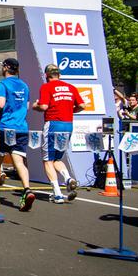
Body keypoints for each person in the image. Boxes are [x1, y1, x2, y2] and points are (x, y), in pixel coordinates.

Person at [32, 64, 84, 204]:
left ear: (47, 76)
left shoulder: (46, 87)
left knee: (47, 160)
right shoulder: (71, 87)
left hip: (53, 123)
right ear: (59, 75)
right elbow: (82, 105)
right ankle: (68, 178)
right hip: (68, 125)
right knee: (57, 159)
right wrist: (69, 110)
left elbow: (43, 106)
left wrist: (34, 105)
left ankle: (57, 193)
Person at [0, 58, 35, 210]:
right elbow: (26, 107)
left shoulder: (2, 83)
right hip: (21, 127)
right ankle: (27, 190)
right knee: (19, 162)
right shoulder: (24, 85)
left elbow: (0, 104)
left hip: (4, 126)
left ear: (6, 68)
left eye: (3, 66)